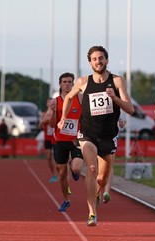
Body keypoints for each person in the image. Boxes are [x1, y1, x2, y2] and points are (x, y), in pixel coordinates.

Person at [58, 46, 134, 226]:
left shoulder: (117, 81)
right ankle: (92, 213)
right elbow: (68, 98)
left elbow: (130, 109)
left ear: (106, 60)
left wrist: (115, 98)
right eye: (94, 59)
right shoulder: (84, 81)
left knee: (102, 178)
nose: (98, 62)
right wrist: (63, 118)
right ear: (90, 62)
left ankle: (98, 193)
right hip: (88, 134)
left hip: (108, 136)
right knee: (91, 168)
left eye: (101, 58)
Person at [49, 73, 84, 212]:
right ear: (60, 84)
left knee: (76, 168)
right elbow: (52, 125)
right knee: (62, 174)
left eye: (70, 82)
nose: (67, 84)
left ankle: (73, 167)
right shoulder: (56, 101)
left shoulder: (79, 98)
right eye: (64, 82)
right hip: (61, 141)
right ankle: (66, 200)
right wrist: (52, 112)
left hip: (76, 140)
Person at [39, 98, 58, 183]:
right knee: (49, 157)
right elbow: (39, 127)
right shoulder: (44, 114)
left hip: (55, 137)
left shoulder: (56, 112)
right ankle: (53, 175)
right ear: (47, 104)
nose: (51, 103)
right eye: (49, 102)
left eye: (52, 102)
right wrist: (43, 121)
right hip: (47, 138)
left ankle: (60, 174)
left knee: (57, 158)